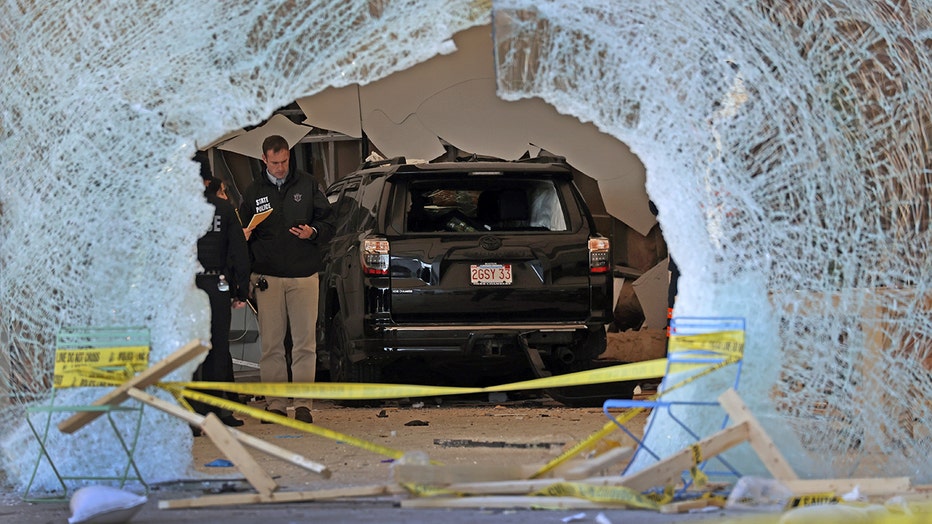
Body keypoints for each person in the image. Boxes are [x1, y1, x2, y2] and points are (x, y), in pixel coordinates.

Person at [238, 135, 335, 424]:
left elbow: (329, 221)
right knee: (272, 344)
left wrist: (313, 232)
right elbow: (242, 231)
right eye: (275, 162)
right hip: (267, 276)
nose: (280, 168)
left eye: (284, 161)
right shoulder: (253, 190)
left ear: (289, 157)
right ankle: (276, 404)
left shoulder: (308, 184)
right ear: (264, 159)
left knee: (305, 342)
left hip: (304, 274)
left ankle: (303, 403)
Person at [193, 169, 251, 429]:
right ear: (209, 181)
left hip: (188, 287)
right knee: (218, 348)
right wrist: (241, 290)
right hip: (218, 285)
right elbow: (240, 252)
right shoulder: (224, 209)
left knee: (191, 350)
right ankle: (220, 412)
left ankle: (193, 415)